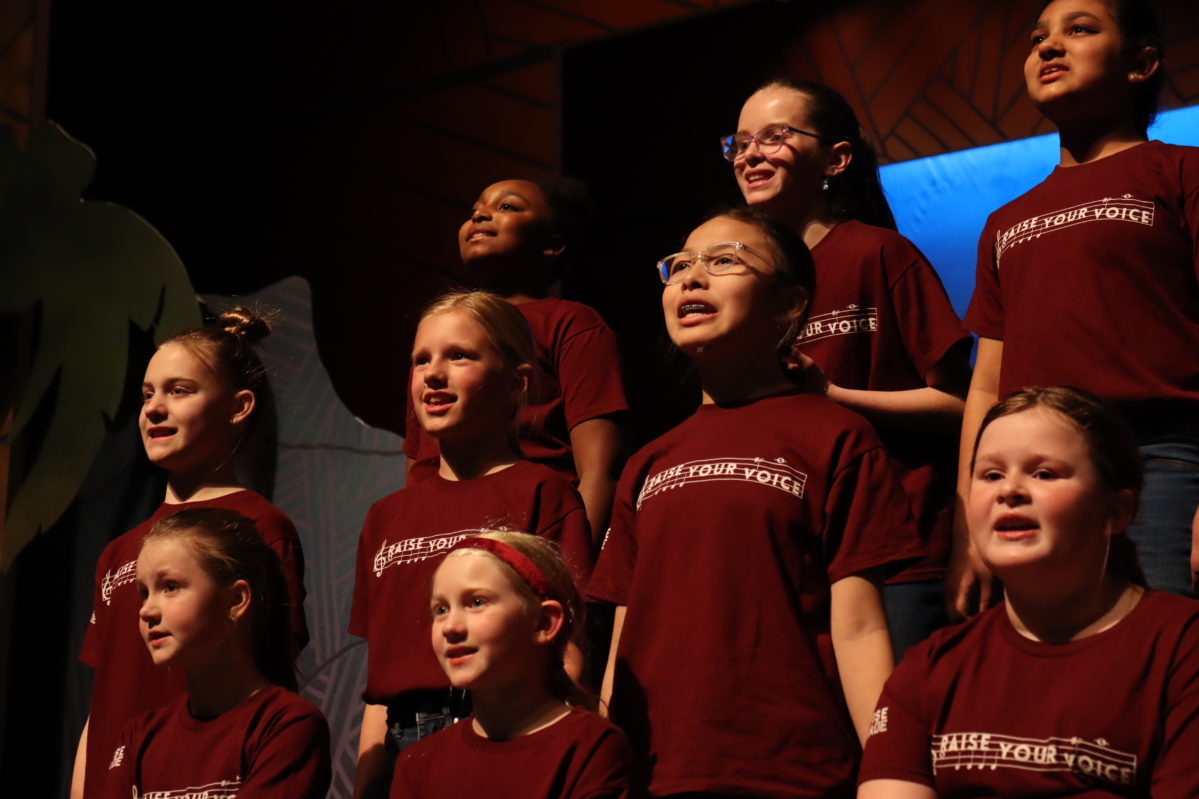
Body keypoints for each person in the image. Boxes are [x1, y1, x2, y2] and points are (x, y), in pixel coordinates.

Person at [588, 207, 924, 797]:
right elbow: (624, 637)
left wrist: (891, 766)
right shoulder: (648, 461)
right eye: (681, 265)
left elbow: (860, 628)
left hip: (789, 770)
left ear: (789, 305)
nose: (692, 278)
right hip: (656, 773)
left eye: (724, 261)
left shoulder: (836, 436)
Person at [954, 0, 1199, 615]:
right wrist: (969, 516)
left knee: (1165, 659)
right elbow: (987, 385)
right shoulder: (1003, 222)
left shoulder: (1179, 171)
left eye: (1080, 29)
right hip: (1029, 477)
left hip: (1156, 464)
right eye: (1038, 38)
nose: (1049, 47)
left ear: (1141, 63)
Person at [726, 77, 972, 656]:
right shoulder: (739, 285)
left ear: (837, 159)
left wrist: (834, 395)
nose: (751, 155)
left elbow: (964, 405)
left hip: (897, 552)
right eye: (739, 143)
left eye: (775, 136)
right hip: (793, 553)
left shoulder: (878, 253)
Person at [859, 386, 1199, 799]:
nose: (1010, 491)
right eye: (991, 474)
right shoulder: (930, 668)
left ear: (1115, 512)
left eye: (1044, 473)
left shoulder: (1183, 651)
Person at [352, 290, 595, 799]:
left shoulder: (542, 493)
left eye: (458, 355)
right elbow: (382, 678)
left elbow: (568, 651)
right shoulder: (385, 517)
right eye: (421, 360)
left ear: (515, 384)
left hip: (506, 732)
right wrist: (368, 780)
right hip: (404, 748)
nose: (433, 374)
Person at [72, 308, 308, 799]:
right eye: (147, 394)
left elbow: (271, 675)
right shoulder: (117, 552)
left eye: (178, 391)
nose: (154, 408)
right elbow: (102, 705)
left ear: (239, 406)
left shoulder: (259, 528)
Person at [404, 178, 628, 541]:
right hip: (446, 534)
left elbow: (601, 467)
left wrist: (571, 564)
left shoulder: (571, 323)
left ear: (553, 244)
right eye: (474, 210)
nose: (480, 216)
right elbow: (420, 465)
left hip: (532, 529)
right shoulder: (435, 340)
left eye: (506, 206)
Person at [98, 509, 330, 797]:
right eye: (144, 592)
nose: (146, 610)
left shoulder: (287, 726)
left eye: (171, 587)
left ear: (236, 600)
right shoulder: (139, 736)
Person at [390, 532, 631, 799]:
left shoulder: (589, 747)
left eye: (477, 602)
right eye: (441, 609)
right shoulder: (416, 765)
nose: (450, 627)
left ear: (543, 623)